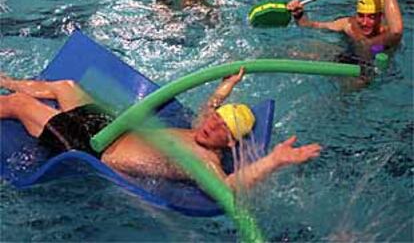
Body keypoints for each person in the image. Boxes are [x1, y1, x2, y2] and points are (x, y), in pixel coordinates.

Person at [0, 68, 321, 191]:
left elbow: (230, 188)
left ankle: (10, 93)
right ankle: (7, 79)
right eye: (216, 118)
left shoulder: (203, 160)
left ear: (230, 142)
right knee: (66, 84)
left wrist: (274, 160)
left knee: (18, 105)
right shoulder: (202, 130)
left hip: (91, 147)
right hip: (109, 127)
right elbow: (209, 110)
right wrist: (226, 87)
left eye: (222, 126)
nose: (211, 124)